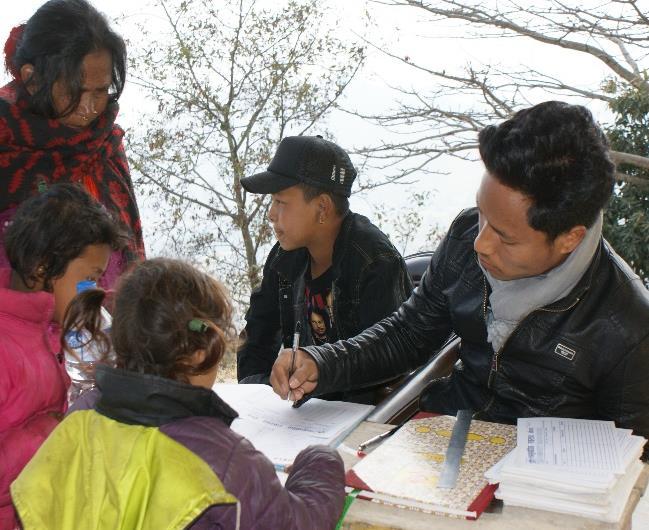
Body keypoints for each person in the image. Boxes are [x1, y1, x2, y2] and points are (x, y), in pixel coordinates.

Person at [270, 101, 649, 454]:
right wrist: (323, 361)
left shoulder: (627, 326)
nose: (481, 243)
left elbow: (631, 460)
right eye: (483, 213)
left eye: (505, 235)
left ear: (569, 238)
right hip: (445, 439)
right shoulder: (468, 234)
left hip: (539, 479)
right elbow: (409, 332)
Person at [11, 258, 346, 529]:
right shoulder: (221, 458)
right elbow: (299, 522)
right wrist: (320, 460)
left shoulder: (79, 417)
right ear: (201, 353)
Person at [237, 135, 413, 403]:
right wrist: (255, 396)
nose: (271, 214)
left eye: (281, 202)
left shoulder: (374, 261)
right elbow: (257, 336)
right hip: (305, 413)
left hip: (361, 417)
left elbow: (387, 361)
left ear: (322, 207)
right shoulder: (284, 258)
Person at [0, 183, 125, 530]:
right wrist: (58, 436)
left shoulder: (46, 326)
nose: (94, 294)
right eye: (88, 279)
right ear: (42, 269)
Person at [0, 0, 145, 289]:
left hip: (110, 327)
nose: (90, 109)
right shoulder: (5, 141)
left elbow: (129, 247)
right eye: (74, 92)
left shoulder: (104, 143)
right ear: (32, 78)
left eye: (101, 91)